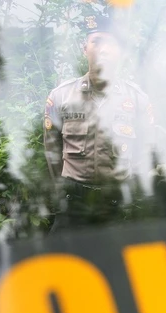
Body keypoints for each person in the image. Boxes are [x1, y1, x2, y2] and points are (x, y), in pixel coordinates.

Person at [43, 14, 155, 232]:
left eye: (110, 44)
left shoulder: (137, 100)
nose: (103, 50)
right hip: (73, 204)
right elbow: (52, 151)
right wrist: (62, 191)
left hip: (117, 206)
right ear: (85, 49)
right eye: (96, 42)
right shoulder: (60, 97)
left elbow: (144, 153)